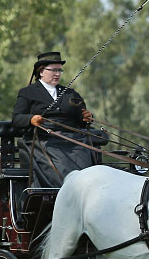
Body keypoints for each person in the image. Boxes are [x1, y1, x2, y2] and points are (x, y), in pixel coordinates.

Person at [12, 51, 103, 188]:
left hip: (72, 140)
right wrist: (31, 119)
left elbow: (81, 118)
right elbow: (17, 118)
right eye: (53, 70)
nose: (57, 74)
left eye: (59, 70)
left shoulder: (70, 93)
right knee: (62, 164)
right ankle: (68, 190)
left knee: (84, 156)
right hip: (44, 140)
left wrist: (86, 118)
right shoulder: (28, 93)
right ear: (41, 72)